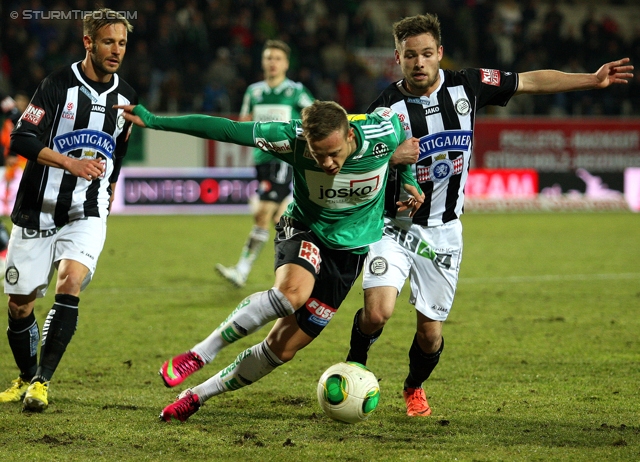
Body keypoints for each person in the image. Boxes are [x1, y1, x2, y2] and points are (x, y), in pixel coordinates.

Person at [345, 13, 634, 417]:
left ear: (439, 53)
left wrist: (591, 78)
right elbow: (353, 162)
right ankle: (354, 365)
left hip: (443, 233)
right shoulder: (383, 109)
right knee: (377, 312)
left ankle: (414, 386)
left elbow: (530, 80)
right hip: (395, 229)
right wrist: (391, 159)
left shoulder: (469, 84)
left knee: (429, 335)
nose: (419, 62)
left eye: (427, 54)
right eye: (410, 55)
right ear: (398, 58)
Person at [116, 100, 422, 422]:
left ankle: (197, 396)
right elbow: (227, 129)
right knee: (292, 293)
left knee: (281, 349)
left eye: (334, 153)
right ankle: (199, 353)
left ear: (349, 135)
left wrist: (408, 178)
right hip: (306, 228)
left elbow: (405, 133)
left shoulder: (382, 131)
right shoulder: (291, 139)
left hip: (350, 252)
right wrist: (155, 121)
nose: (329, 163)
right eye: (320, 155)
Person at [0, 8, 137, 412]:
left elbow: (121, 146)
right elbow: (21, 140)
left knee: (70, 280)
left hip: (87, 210)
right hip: (37, 209)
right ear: (88, 42)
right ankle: (25, 375)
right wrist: (70, 162)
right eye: (109, 42)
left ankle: (41, 382)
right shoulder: (57, 86)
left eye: (123, 43)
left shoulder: (126, 96)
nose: (116, 51)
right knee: (20, 303)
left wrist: (109, 186)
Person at [215, 40, 314, 288]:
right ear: (263, 62)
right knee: (283, 222)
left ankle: (242, 270)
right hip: (260, 160)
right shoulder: (254, 91)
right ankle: (301, 271)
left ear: (286, 64)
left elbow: (316, 116)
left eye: (277, 58)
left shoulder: (295, 91)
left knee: (261, 213)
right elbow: (245, 120)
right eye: (268, 57)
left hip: (281, 159)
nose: (272, 62)